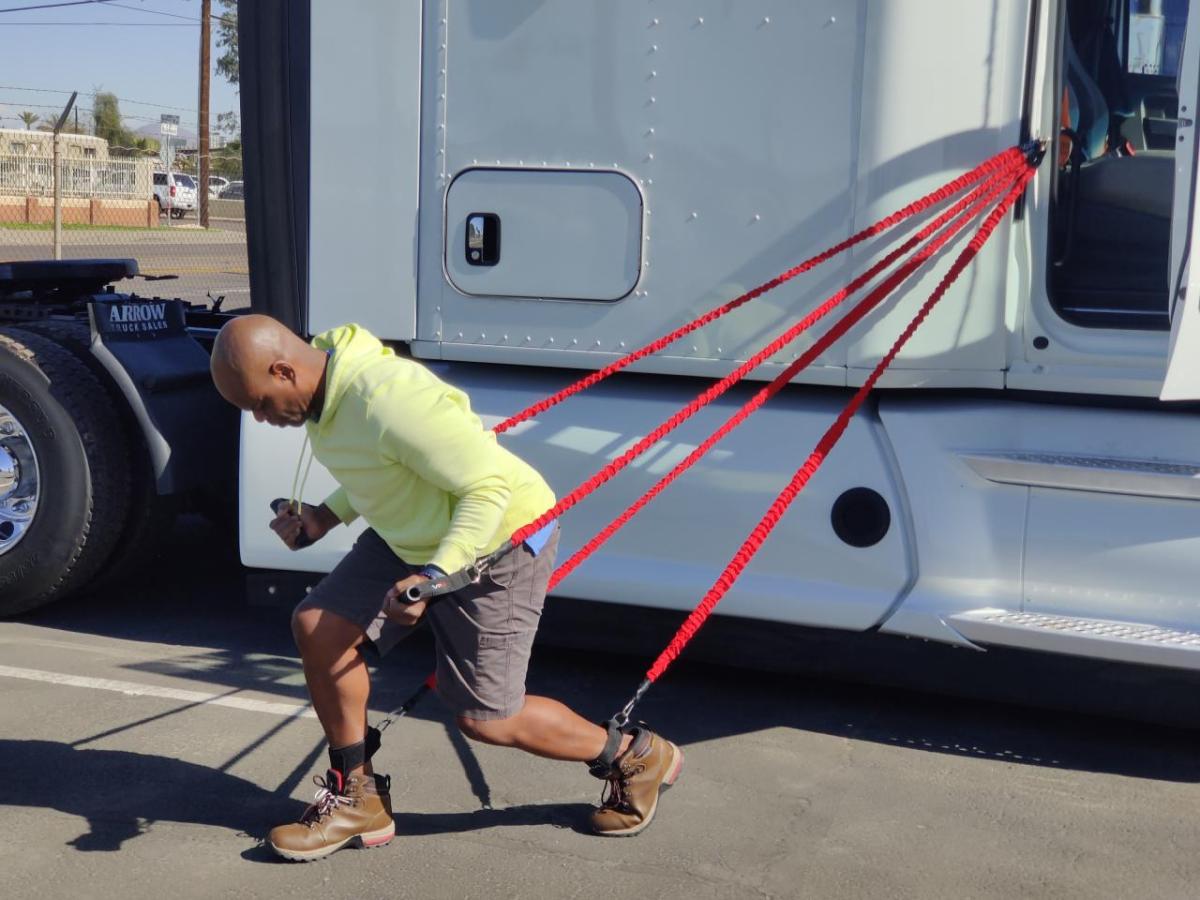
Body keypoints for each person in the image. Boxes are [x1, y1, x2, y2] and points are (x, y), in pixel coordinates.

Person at [209, 315, 682, 860]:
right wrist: (324, 517)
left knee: (487, 719)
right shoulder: (325, 394)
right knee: (319, 626)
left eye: (261, 404)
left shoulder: (386, 398)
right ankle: (357, 798)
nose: (262, 419)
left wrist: (435, 578)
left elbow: (488, 488)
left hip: (500, 537)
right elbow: (383, 466)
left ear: (284, 370)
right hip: (413, 532)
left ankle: (634, 754)